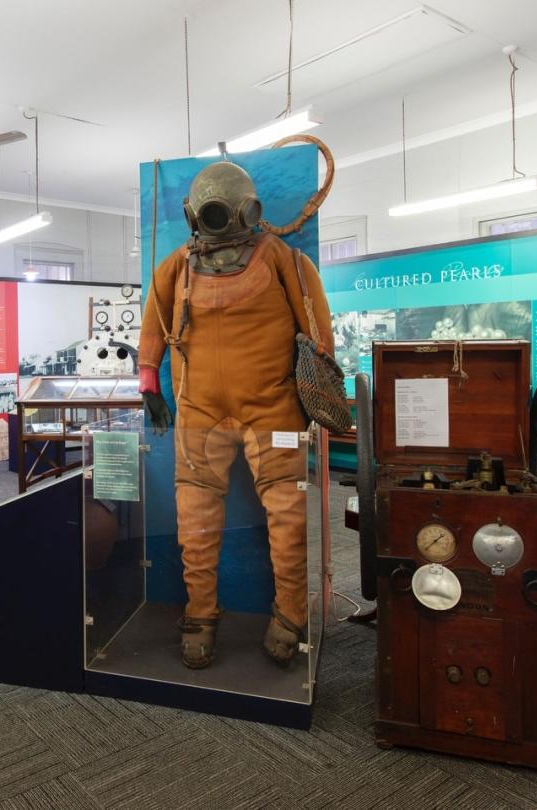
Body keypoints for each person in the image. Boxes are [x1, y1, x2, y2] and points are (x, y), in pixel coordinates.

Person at [139, 160, 334, 668]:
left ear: (249, 211)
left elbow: (317, 333)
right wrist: (147, 382)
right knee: (194, 521)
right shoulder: (177, 266)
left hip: (274, 410)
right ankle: (200, 612)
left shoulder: (283, 260)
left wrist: (317, 395)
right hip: (200, 412)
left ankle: (289, 612)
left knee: (288, 516)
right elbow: (154, 323)